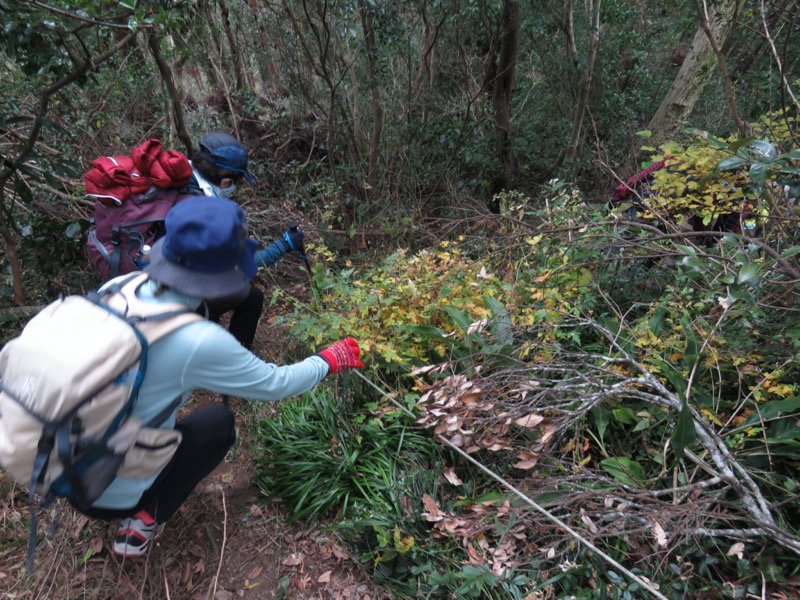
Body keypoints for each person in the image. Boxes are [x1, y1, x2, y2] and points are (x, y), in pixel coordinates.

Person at [78, 196, 364, 558]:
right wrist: (328, 359)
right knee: (218, 424)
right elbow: (275, 385)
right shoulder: (197, 340)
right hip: (107, 492)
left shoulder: (120, 287)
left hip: (65, 468)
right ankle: (143, 515)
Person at [182, 131, 305, 349]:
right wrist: (284, 244)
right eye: (235, 180)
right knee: (252, 298)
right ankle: (235, 363)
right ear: (224, 175)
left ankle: (203, 330)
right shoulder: (206, 211)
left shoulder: (181, 179)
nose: (234, 187)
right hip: (183, 294)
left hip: (151, 281)